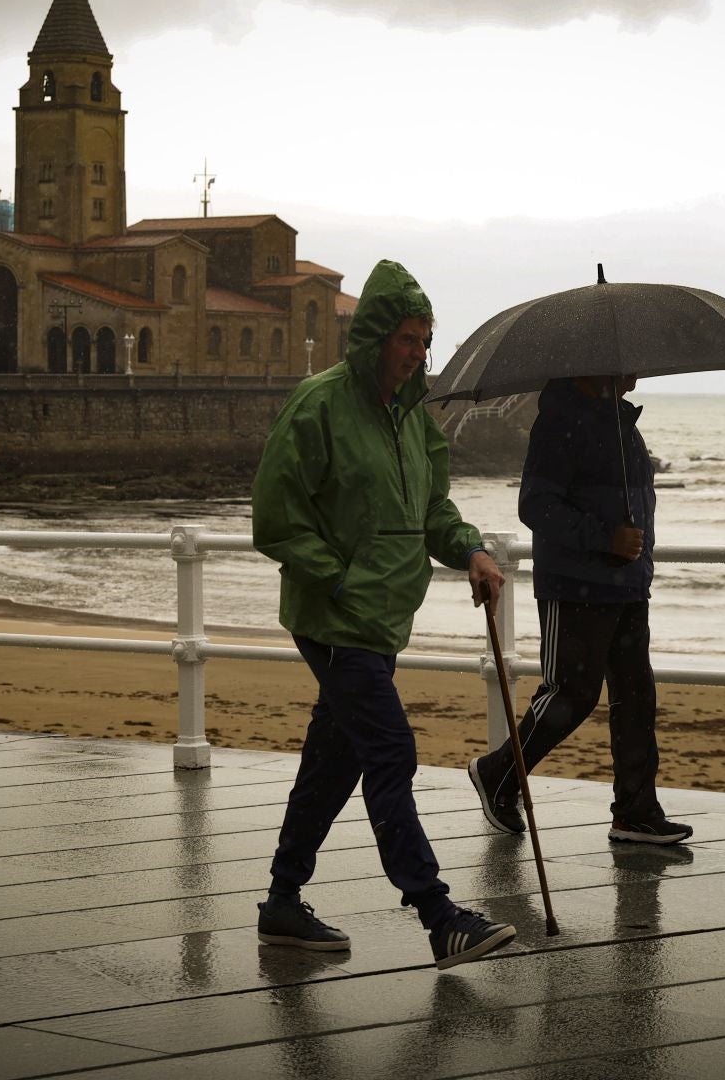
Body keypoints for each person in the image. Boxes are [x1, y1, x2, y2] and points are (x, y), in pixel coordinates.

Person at [251, 258, 518, 971]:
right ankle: (438, 915)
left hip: (384, 619)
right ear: (374, 337)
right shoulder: (319, 404)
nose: (417, 353)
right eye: (406, 338)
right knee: (391, 751)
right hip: (335, 618)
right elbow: (275, 517)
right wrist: (340, 580)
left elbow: (432, 509)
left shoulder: (414, 420)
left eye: (425, 340)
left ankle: (282, 902)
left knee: (334, 759)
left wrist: (471, 552)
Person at [467, 373, 692, 845]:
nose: (635, 377)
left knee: (637, 697)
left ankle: (635, 811)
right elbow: (536, 506)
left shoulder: (621, 421)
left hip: (628, 584)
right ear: (595, 366)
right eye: (625, 368)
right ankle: (498, 774)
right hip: (574, 586)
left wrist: (637, 560)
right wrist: (606, 538)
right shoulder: (559, 421)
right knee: (570, 694)